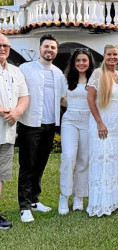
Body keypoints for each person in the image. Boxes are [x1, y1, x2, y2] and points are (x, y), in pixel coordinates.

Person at [18, 34, 67, 223]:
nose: (50, 50)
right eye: (47, 47)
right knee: (27, 165)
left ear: (56, 51)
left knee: (40, 164)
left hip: (50, 124)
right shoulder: (25, 69)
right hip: (29, 124)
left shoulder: (58, 73)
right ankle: (24, 206)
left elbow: (63, 99)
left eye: (53, 48)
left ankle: (34, 200)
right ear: (40, 48)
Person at [86, 44, 118, 217]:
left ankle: (115, 199)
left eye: (115, 54)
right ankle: (101, 202)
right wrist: (99, 122)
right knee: (103, 161)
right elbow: (90, 99)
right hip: (103, 125)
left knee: (116, 160)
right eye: (109, 54)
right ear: (104, 56)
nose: (112, 57)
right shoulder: (98, 73)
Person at [58, 48, 95, 215]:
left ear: (89, 62)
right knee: (68, 156)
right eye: (78, 60)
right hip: (70, 121)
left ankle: (79, 196)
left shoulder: (95, 79)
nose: (81, 63)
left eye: (84, 60)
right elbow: (60, 99)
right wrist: (73, 106)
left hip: (89, 122)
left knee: (84, 159)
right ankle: (64, 195)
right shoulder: (66, 79)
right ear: (73, 62)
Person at [0, 34, 29, 230]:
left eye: (6, 45)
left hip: (7, 133)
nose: (2, 48)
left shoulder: (15, 71)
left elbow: (24, 96)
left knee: (0, 175)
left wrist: (17, 112)